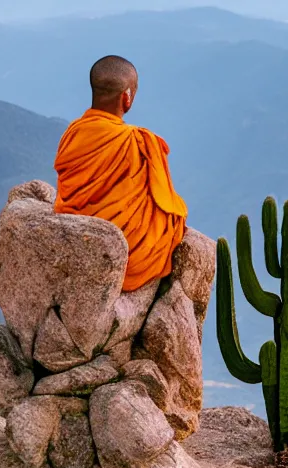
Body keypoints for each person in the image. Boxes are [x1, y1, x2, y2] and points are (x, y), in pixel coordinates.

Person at [53, 55, 188, 292]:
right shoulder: (141, 142)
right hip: (128, 256)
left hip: (78, 238)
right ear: (126, 96)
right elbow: (166, 202)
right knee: (173, 219)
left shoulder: (73, 133)